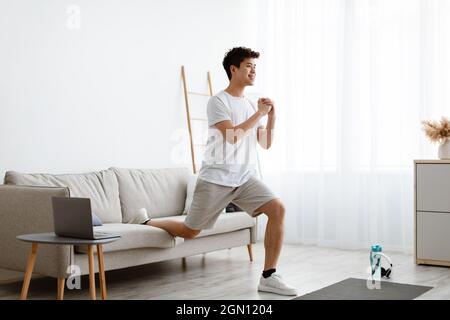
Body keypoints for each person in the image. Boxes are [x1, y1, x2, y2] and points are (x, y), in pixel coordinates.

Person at [131, 47, 297, 296]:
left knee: (278, 208)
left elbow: (265, 143)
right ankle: (146, 221)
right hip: (216, 179)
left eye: (255, 67)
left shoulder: (251, 104)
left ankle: (269, 276)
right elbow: (232, 136)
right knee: (190, 231)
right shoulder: (218, 101)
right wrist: (259, 114)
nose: (253, 70)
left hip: (244, 178)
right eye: (249, 66)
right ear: (234, 69)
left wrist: (272, 116)